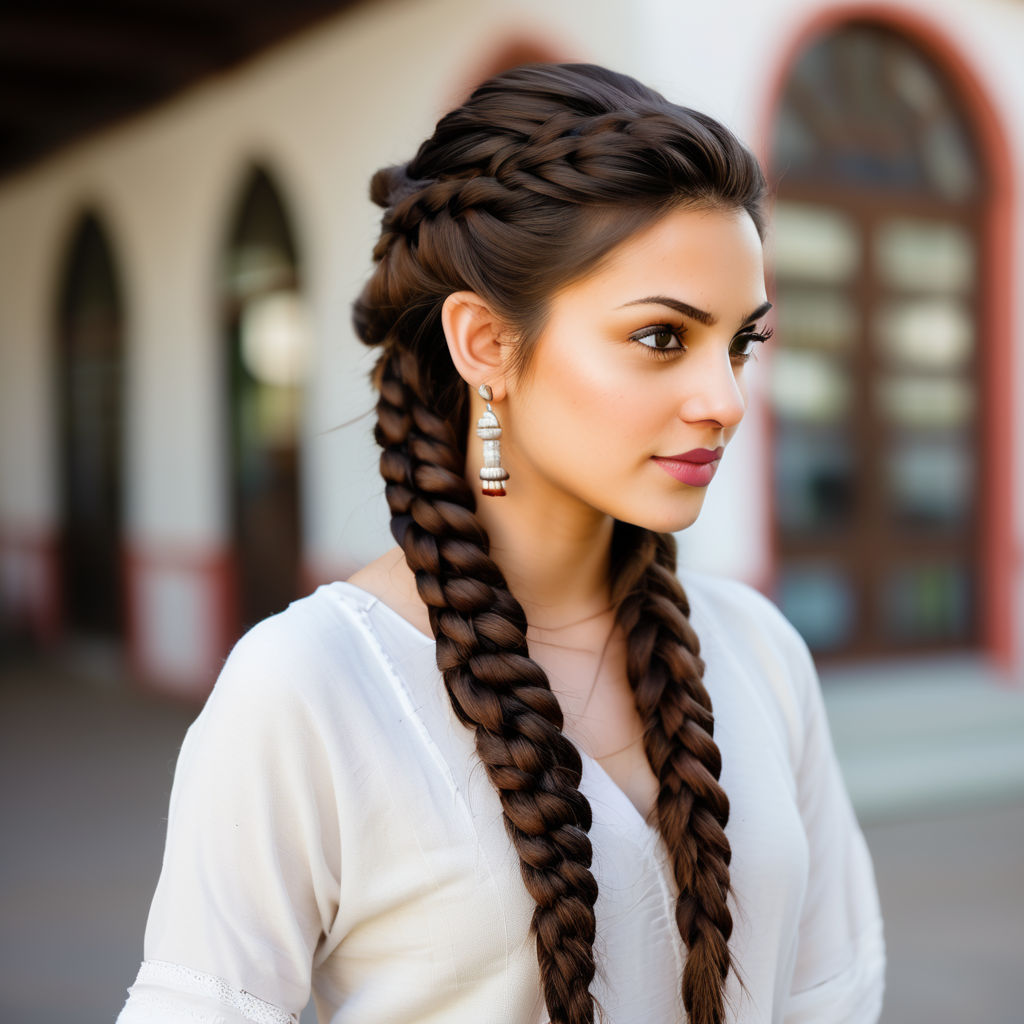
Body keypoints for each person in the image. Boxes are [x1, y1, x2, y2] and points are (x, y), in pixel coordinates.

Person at [118, 63, 884, 1024]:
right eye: (661, 339)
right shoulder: (309, 687)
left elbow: (830, 993)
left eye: (740, 344)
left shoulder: (758, 652)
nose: (725, 402)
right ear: (485, 342)